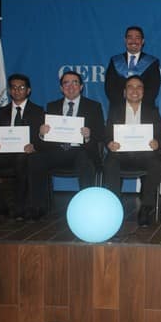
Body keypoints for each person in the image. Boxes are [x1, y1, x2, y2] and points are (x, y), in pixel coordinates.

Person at [28, 71, 105, 220]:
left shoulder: (93, 106)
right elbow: (42, 141)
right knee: (35, 159)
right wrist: (42, 134)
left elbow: (101, 134)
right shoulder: (52, 106)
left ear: (81, 87)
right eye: (66, 83)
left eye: (75, 82)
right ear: (61, 88)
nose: (71, 86)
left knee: (85, 160)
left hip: (81, 151)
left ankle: (86, 207)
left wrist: (89, 135)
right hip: (57, 151)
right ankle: (38, 207)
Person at [0, 74, 45, 220]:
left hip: (27, 154)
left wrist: (34, 146)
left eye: (21, 87)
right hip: (4, 154)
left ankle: (20, 208)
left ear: (28, 90)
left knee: (22, 160)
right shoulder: (2, 111)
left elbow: (42, 138)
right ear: (9, 91)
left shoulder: (38, 111)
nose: (17, 91)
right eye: (13, 87)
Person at [103, 75, 161, 227]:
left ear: (143, 91)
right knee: (110, 161)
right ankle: (113, 206)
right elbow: (108, 134)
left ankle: (145, 208)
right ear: (124, 92)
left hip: (145, 155)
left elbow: (159, 135)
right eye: (130, 87)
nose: (135, 90)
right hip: (121, 155)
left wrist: (157, 142)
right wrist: (110, 143)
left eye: (139, 87)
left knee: (156, 161)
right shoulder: (115, 110)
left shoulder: (152, 110)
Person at [105, 26, 161, 106]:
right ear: (125, 40)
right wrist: (125, 106)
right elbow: (109, 88)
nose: (133, 41)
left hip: (145, 110)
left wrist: (137, 105)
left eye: (137, 38)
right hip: (118, 109)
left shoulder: (152, 62)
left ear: (142, 41)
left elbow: (153, 89)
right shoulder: (115, 61)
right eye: (130, 37)